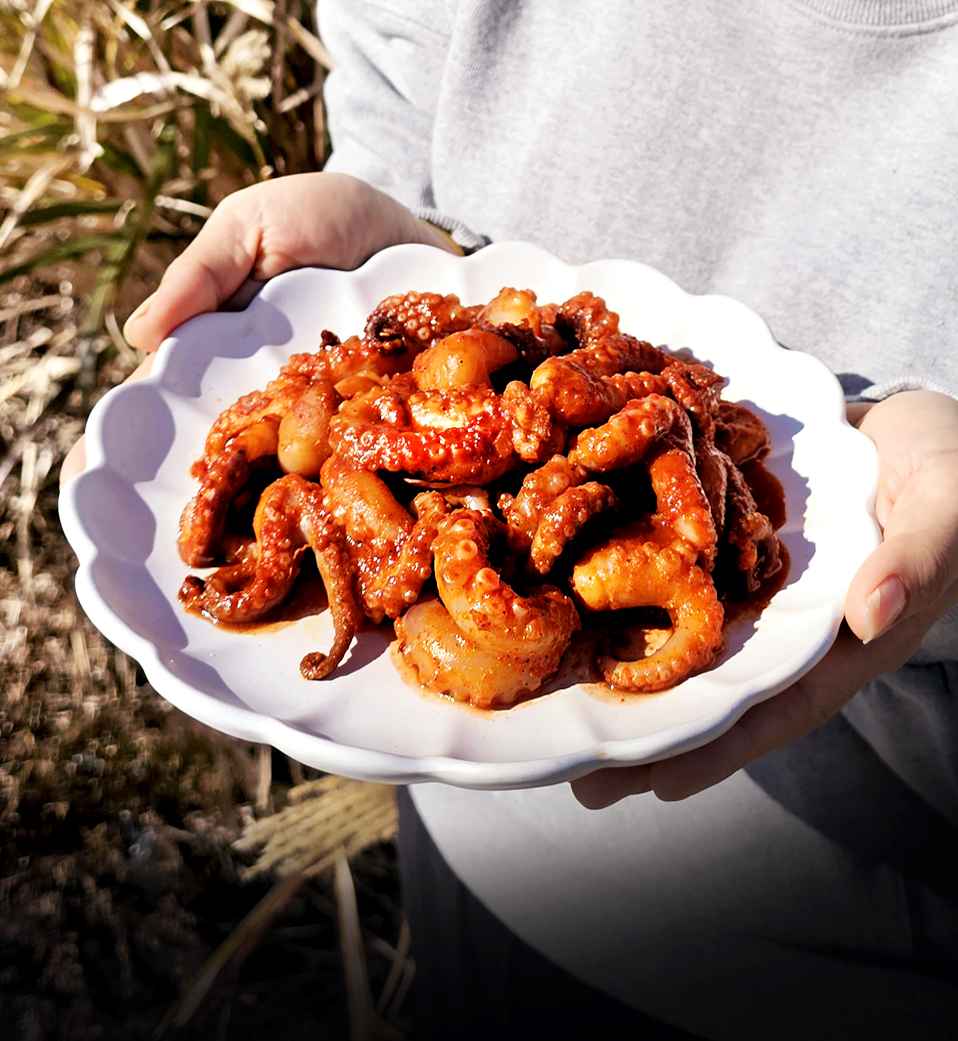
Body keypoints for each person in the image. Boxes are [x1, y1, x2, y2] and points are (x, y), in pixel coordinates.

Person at [63, 1, 958, 1036]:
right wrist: (399, 223)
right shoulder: (378, 439)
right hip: (483, 873)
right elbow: (399, 65)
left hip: (869, 954)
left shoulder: (647, 481)